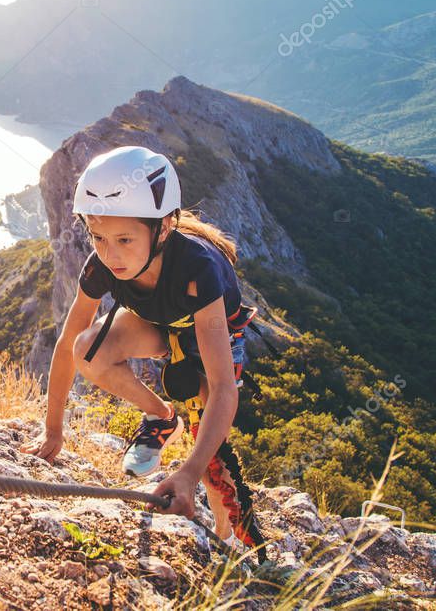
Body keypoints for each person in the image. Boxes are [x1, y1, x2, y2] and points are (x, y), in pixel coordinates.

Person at [20, 144, 265, 554]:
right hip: (159, 323)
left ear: (164, 228)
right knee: (88, 349)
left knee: (212, 456)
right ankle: (162, 418)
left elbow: (224, 388)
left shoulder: (198, 270)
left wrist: (187, 474)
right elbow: (67, 345)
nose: (110, 254)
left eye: (124, 239)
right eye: (98, 237)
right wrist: (53, 429)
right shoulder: (102, 267)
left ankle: (229, 537)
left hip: (207, 330)